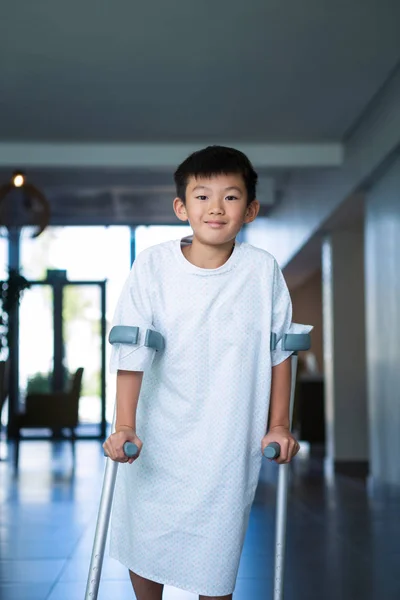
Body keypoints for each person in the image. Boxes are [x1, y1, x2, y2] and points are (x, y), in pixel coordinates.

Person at [103, 145, 311, 600]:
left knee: (218, 551)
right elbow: (131, 348)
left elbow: (281, 353)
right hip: (158, 434)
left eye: (231, 197)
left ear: (251, 210)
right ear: (181, 207)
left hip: (227, 439)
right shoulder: (153, 266)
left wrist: (278, 424)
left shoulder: (261, 271)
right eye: (202, 196)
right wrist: (124, 425)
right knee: (147, 535)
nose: (216, 207)